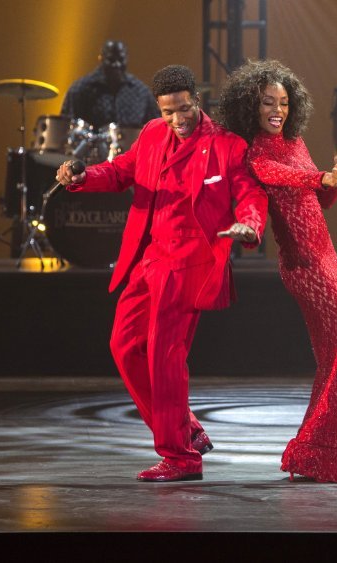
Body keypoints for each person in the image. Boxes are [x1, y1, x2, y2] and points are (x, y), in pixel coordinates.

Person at [55, 65, 267, 482]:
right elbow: (120, 171)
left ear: (197, 101)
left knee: (164, 358)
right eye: (168, 111)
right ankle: (185, 430)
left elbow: (250, 193)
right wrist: (82, 177)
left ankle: (181, 457)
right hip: (150, 258)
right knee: (123, 346)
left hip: (190, 262)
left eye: (183, 109)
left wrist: (250, 224)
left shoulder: (227, 145)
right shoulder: (152, 133)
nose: (177, 119)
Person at [219, 59, 337, 483]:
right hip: (306, 267)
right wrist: (322, 176)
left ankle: (324, 451)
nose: (277, 110)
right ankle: (325, 446)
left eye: (284, 103)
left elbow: (319, 198)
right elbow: (279, 176)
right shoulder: (255, 152)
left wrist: (335, 173)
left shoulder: (294, 142)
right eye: (268, 102)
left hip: (327, 257)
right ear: (250, 106)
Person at [60, 40, 160, 131]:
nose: (117, 64)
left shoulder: (141, 92)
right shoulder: (80, 90)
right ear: (101, 58)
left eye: (121, 60)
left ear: (126, 59)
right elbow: (65, 128)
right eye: (111, 60)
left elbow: (157, 127)